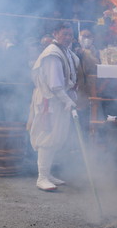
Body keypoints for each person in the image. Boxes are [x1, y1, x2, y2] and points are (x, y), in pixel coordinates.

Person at [28, 21, 81, 192]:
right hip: (49, 101)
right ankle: (41, 177)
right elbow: (55, 85)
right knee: (47, 137)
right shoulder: (52, 54)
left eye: (70, 34)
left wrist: (71, 98)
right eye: (65, 34)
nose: (68, 38)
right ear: (55, 34)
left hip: (59, 101)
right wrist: (67, 100)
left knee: (57, 137)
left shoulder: (66, 51)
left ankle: (48, 174)